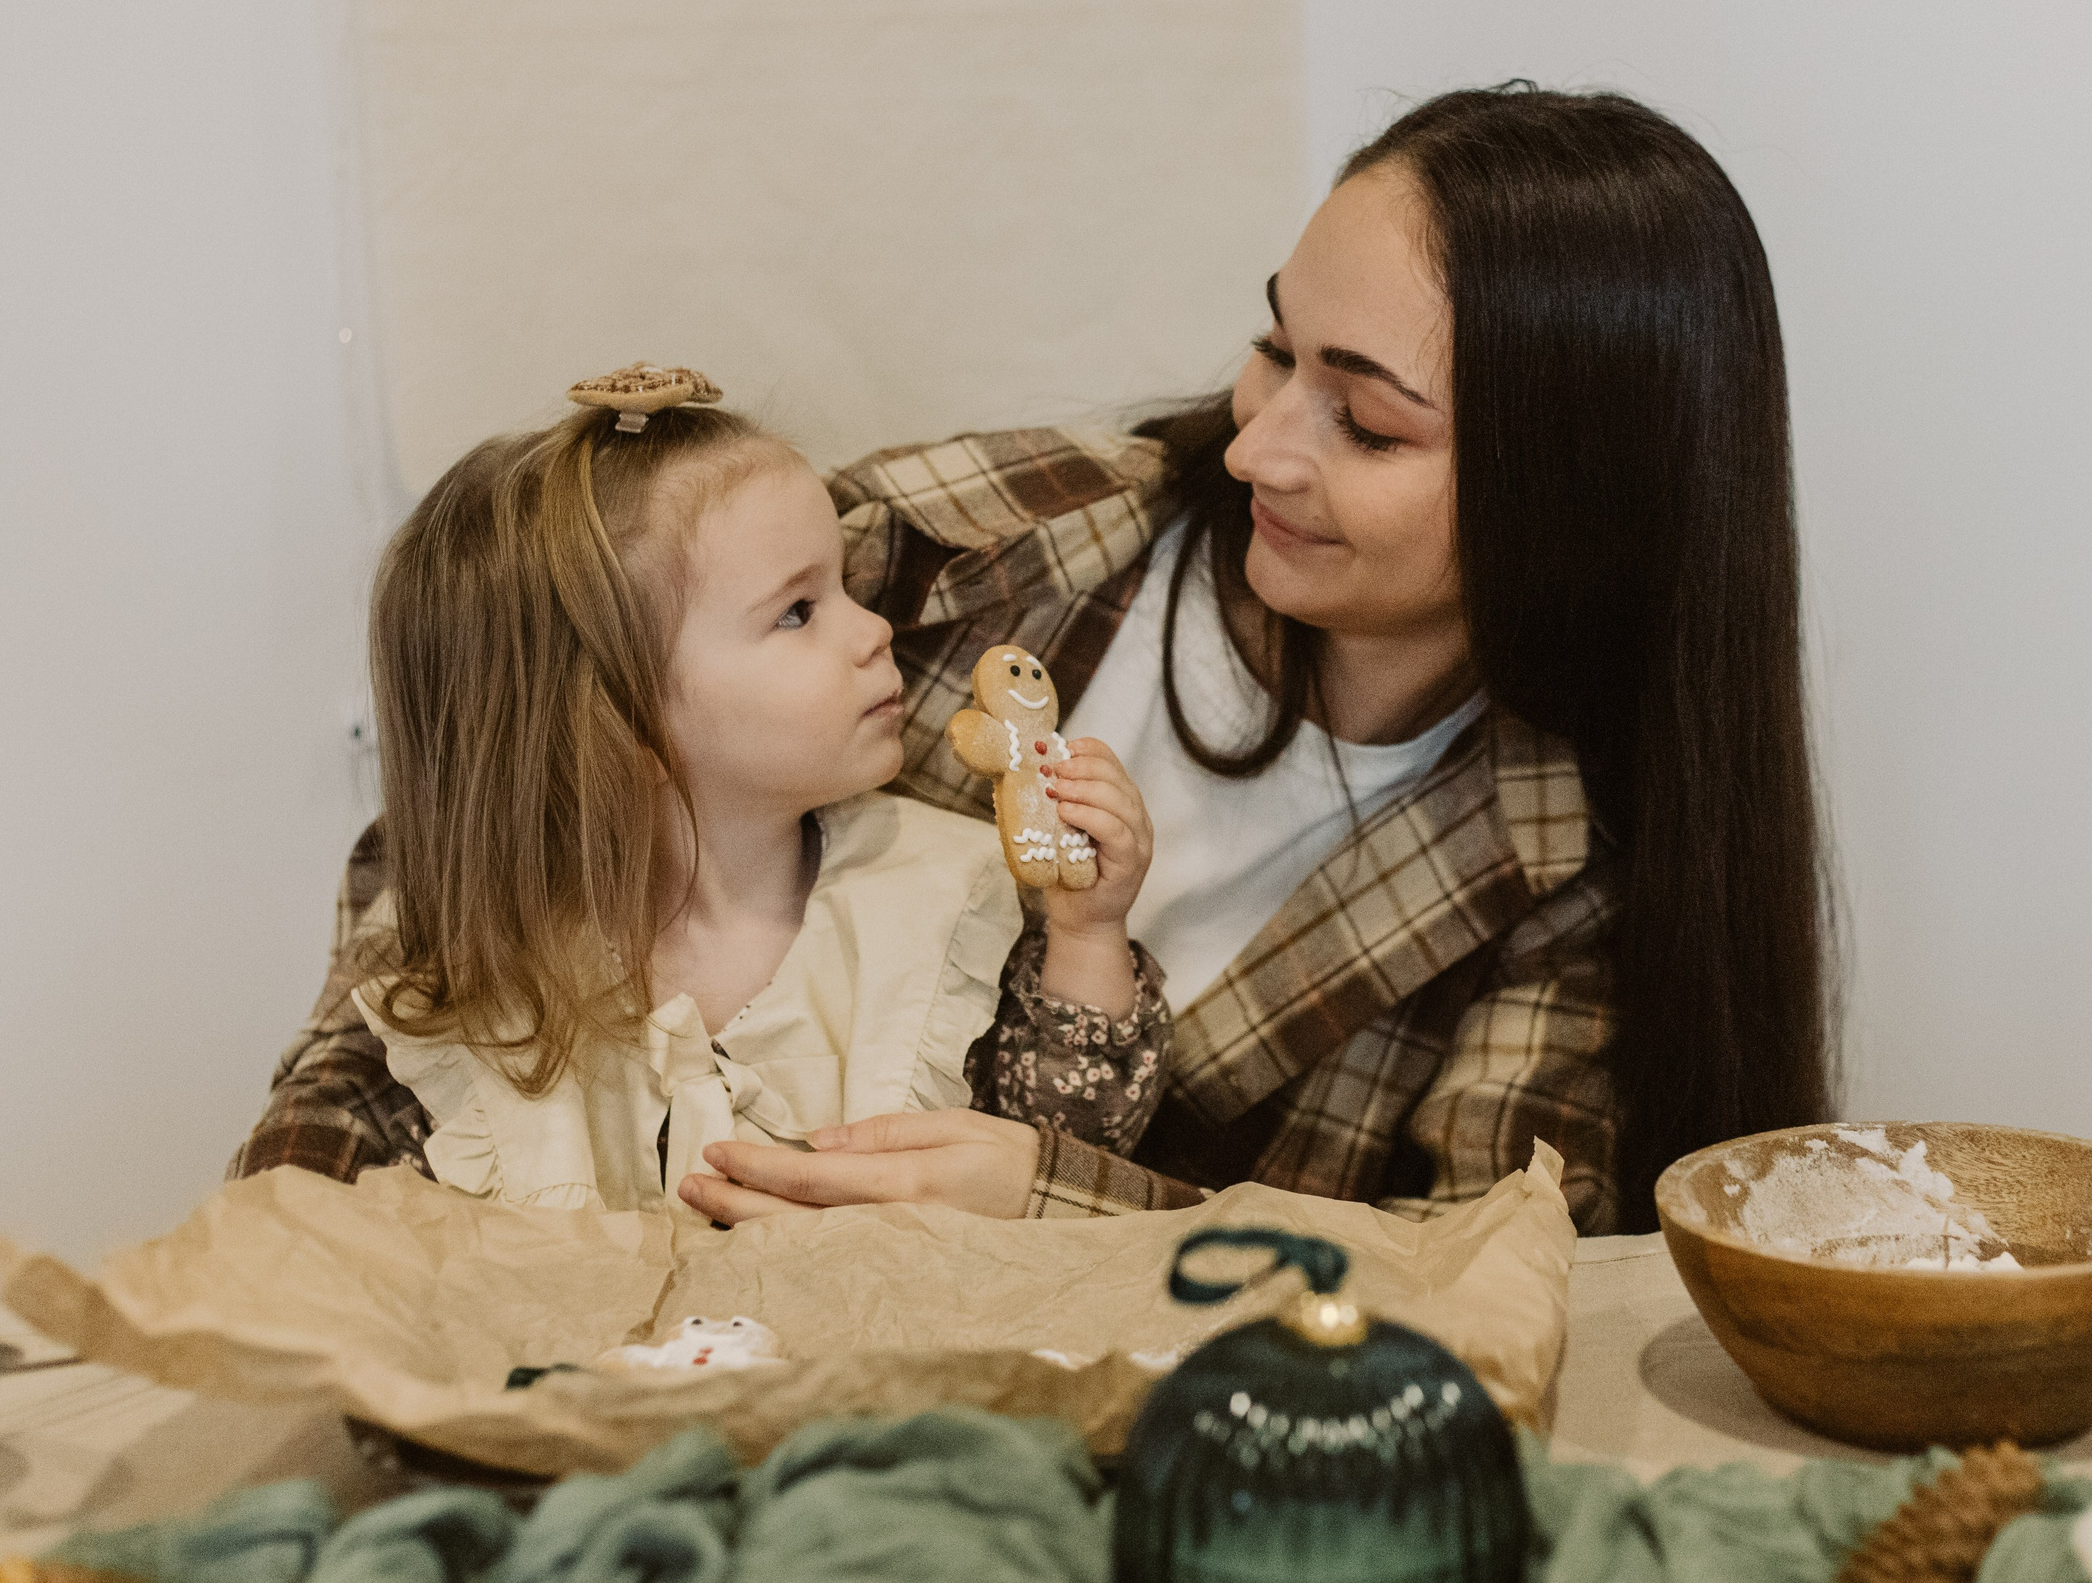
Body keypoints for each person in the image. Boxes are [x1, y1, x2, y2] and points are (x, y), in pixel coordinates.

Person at [241, 83, 1835, 1234]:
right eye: (1278, 342)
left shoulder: (1570, 875)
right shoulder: (961, 543)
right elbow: (492, 797)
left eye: (1366, 417)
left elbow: (1484, 1278)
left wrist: (1055, 1195)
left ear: (1573, 505)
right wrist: (305, 1231)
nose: (1257, 438)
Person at [226, 367, 1166, 1211]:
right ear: (615, 724)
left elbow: (1064, 1162)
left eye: (843, 586)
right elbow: (309, 1192)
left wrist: (1087, 933)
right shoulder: (484, 967)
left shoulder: (945, 895)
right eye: (798, 612)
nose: (875, 629)